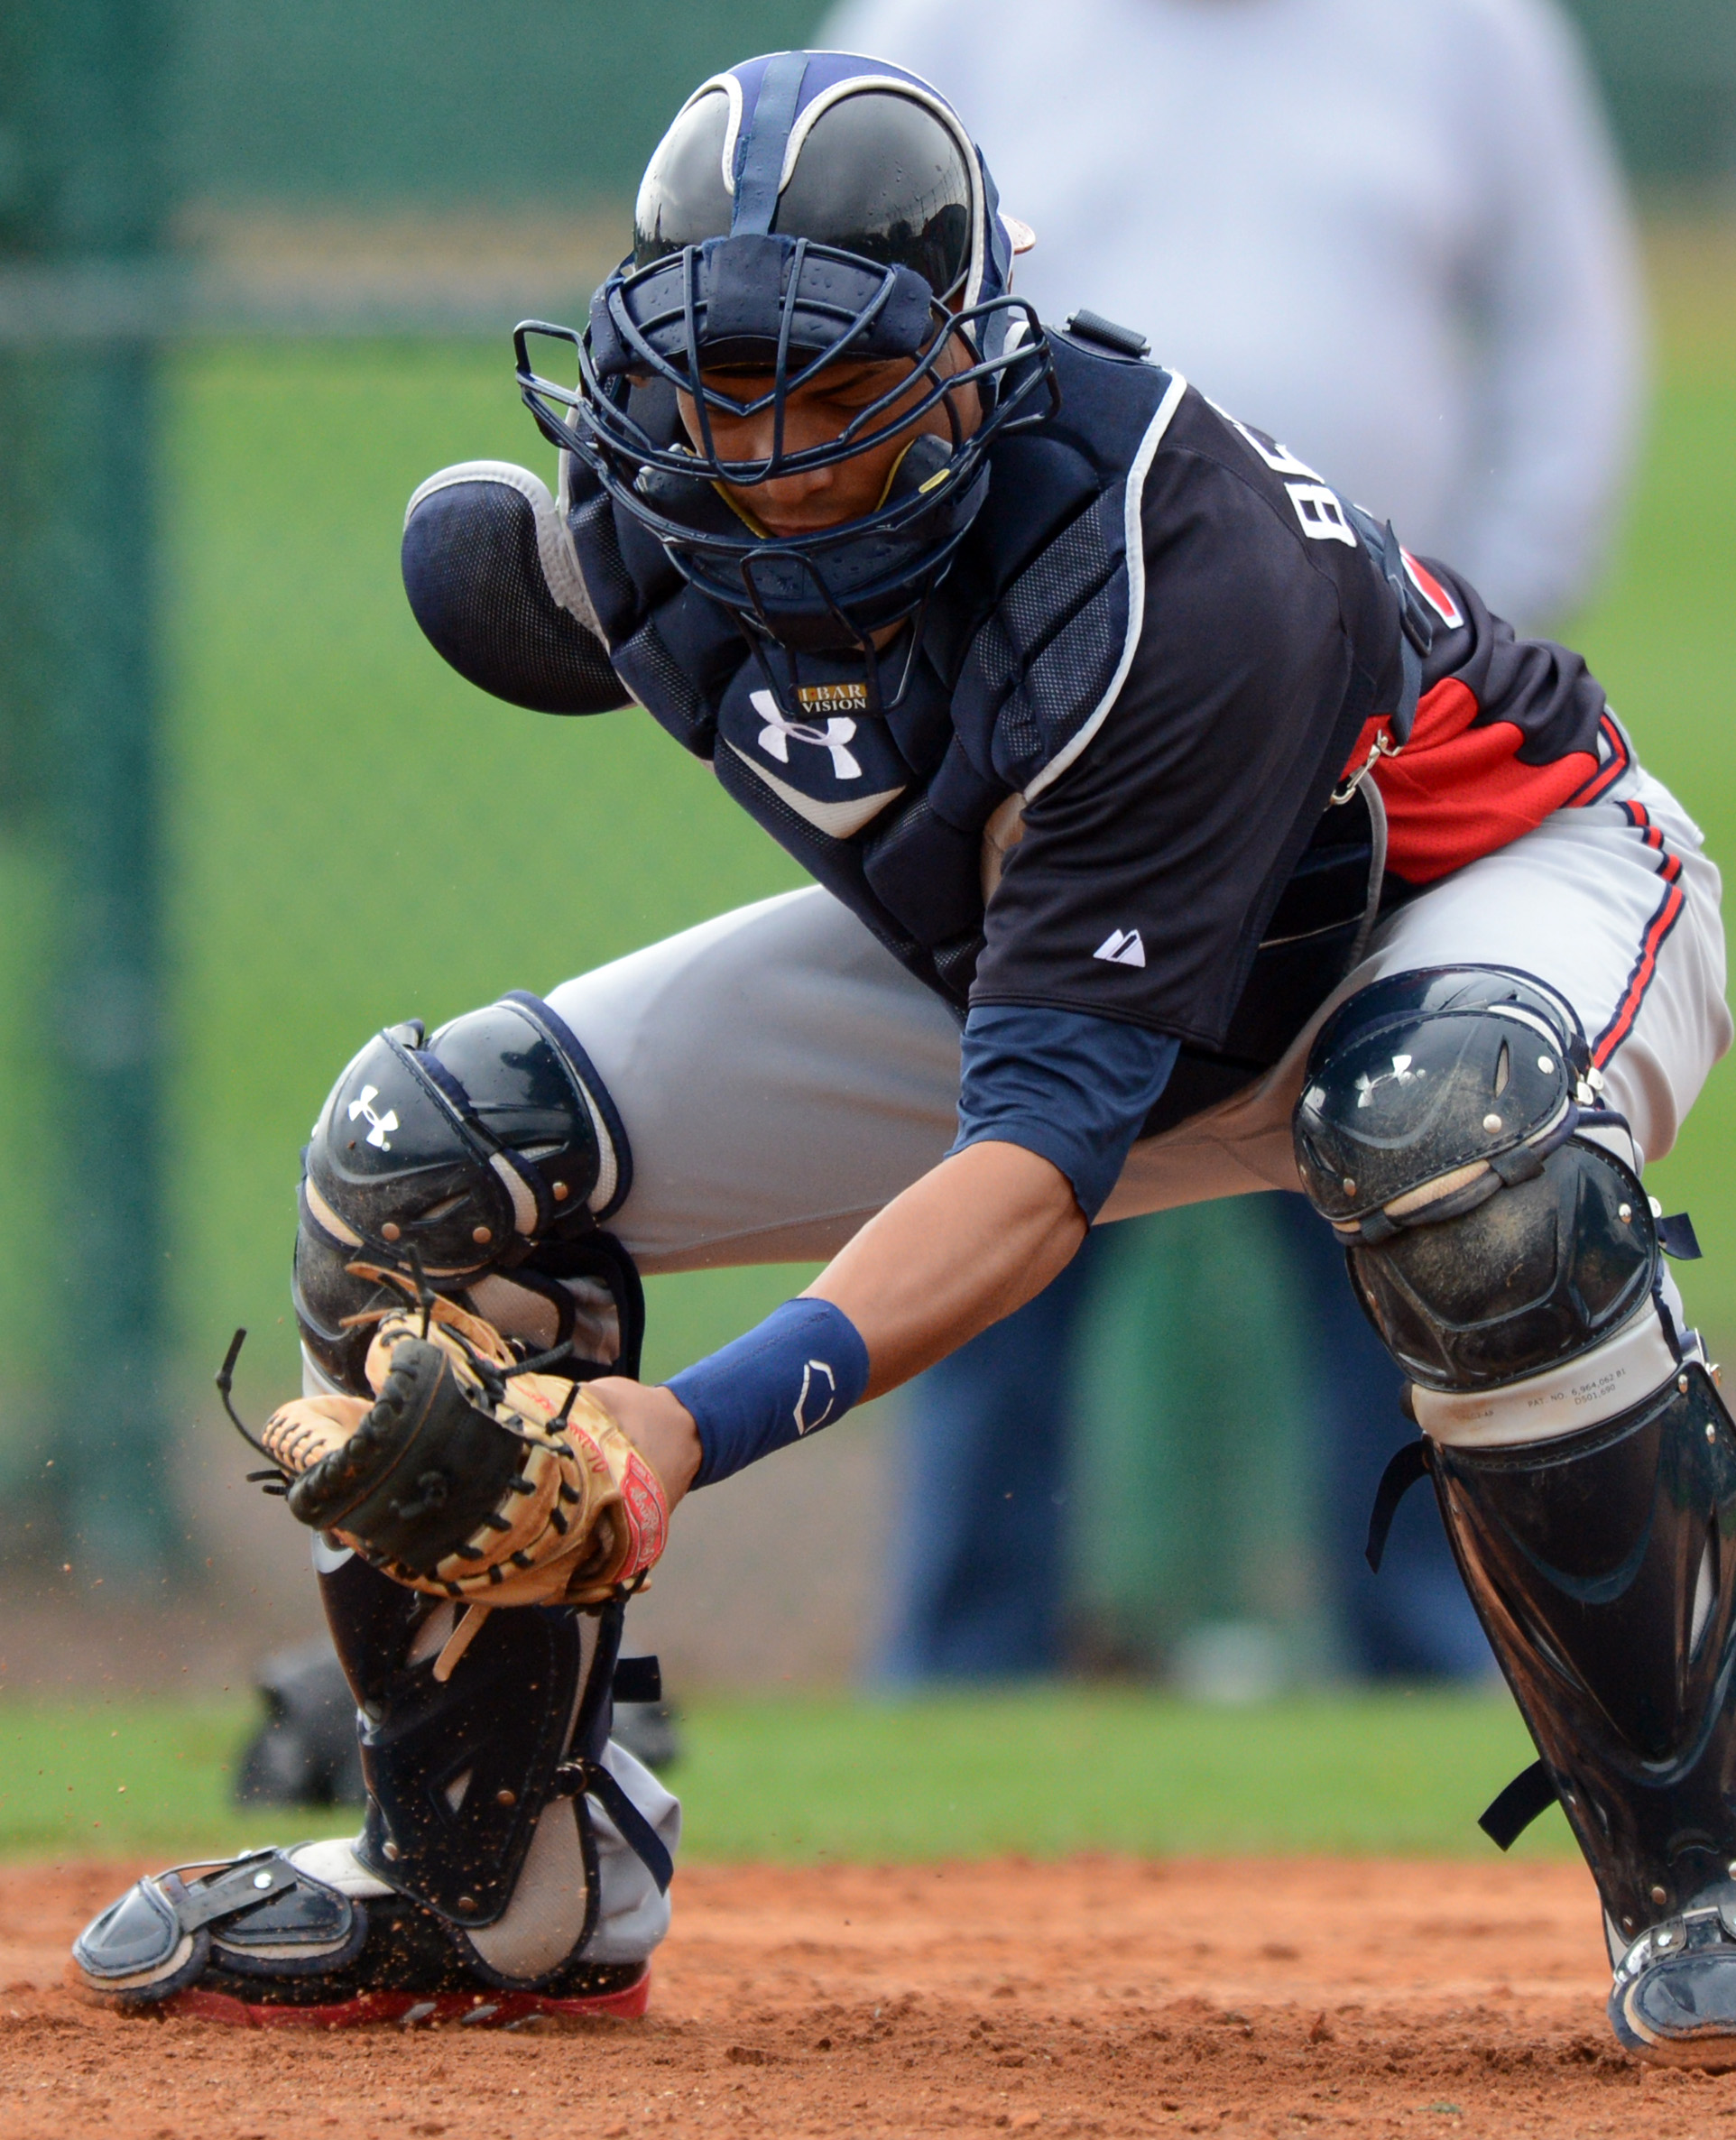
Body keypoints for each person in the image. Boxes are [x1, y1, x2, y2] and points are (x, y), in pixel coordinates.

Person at [72, 52, 1733, 2062]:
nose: (766, 448)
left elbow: (1038, 1178)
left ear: (970, 362)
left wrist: (676, 1428)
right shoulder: (647, 503)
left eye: (835, 391)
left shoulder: (1155, 570)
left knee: (1443, 1142)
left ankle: (1707, 1875)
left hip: (1462, 887)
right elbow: (604, 605)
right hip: (1033, 944)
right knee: (419, 1159)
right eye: (717, 380)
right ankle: (484, 1886)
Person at [826, 0, 1646, 1686]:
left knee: (1418, 1221)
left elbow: (1576, 334)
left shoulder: (1467, 28)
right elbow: (823, 308)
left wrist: (1463, 627)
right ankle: (966, 1673)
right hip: (1043, 786)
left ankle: (1435, 1674)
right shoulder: (948, 22)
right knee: (1004, 1209)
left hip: (1381, 774)